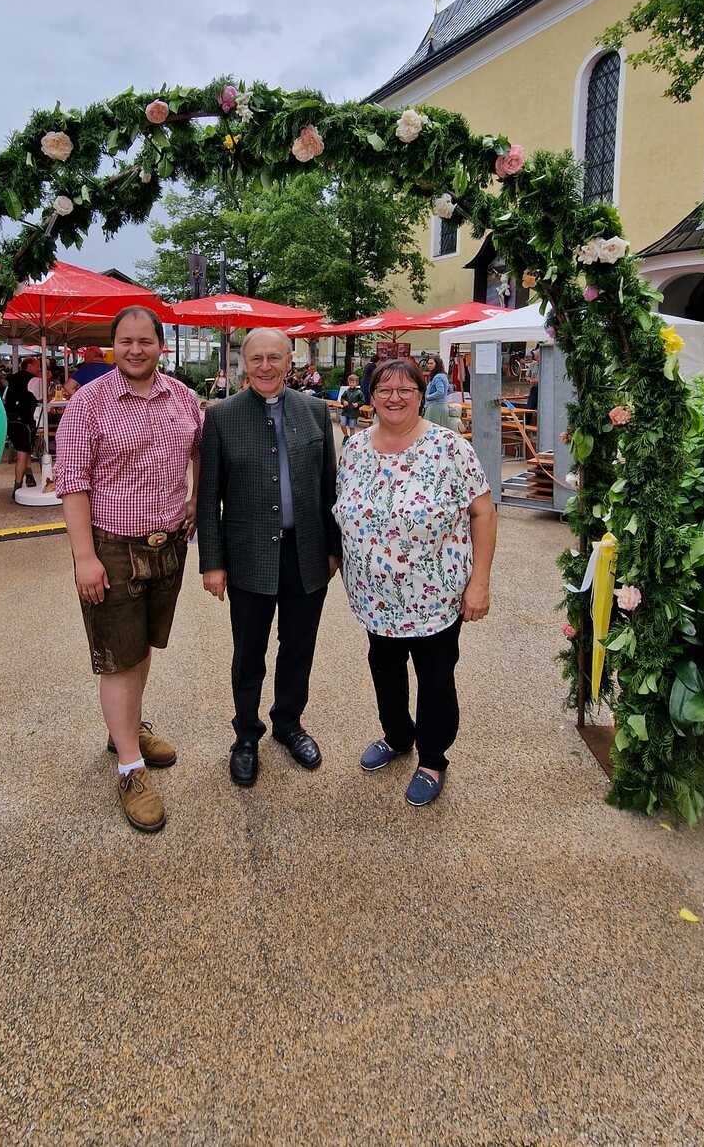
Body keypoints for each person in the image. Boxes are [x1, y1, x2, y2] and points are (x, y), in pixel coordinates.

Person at [55, 306, 203, 834]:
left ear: (160, 345)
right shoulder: (89, 405)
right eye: (126, 341)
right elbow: (72, 483)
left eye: (145, 340)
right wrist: (85, 558)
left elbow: (199, 451)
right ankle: (129, 768)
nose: (135, 349)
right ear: (113, 344)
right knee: (117, 659)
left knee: (140, 648)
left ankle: (128, 729)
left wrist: (195, 498)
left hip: (168, 546)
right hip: (112, 547)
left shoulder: (184, 398)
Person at [334, 358, 496, 808]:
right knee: (384, 668)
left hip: (436, 595)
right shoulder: (355, 449)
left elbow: (483, 512)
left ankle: (432, 757)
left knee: (435, 676)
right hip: (374, 597)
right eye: (384, 389)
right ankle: (397, 735)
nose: (395, 397)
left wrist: (479, 582)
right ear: (370, 396)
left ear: (422, 393)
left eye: (406, 388)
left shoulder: (449, 448)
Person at [197, 327, 341, 788]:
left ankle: (288, 723)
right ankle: (245, 735)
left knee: (299, 648)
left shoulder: (315, 410)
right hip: (248, 556)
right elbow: (208, 498)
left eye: (273, 357)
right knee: (249, 652)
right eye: (255, 357)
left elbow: (328, 488)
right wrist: (212, 561)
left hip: (306, 555)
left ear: (289, 360)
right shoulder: (221, 417)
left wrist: (334, 548)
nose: (265, 366)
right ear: (243, 362)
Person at [3, 355, 40, 491]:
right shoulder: (33, 380)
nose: (39, 368)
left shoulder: (12, 378)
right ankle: (17, 486)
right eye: (37, 365)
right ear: (29, 366)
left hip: (11, 419)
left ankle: (29, 475)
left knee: (24, 447)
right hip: (24, 419)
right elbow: (41, 397)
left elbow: (5, 398)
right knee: (22, 452)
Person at [424, 356, 458, 428]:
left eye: (431, 363)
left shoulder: (438, 377)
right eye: (428, 363)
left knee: (432, 430)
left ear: (437, 364)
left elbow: (440, 392)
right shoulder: (443, 375)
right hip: (441, 406)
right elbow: (448, 390)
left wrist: (428, 397)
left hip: (436, 407)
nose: (429, 365)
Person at [338, 372, 365, 440]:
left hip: (353, 412)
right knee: (342, 424)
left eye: (353, 382)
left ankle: (351, 439)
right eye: (350, 382)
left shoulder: (359, 392)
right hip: (345, 411)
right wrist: (343, 401)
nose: (351, 384)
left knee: (352, 427)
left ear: (356, 383)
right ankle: (346, 436)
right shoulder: (346, 391)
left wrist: (358, 404)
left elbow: (363, 401)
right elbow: (342, 398)